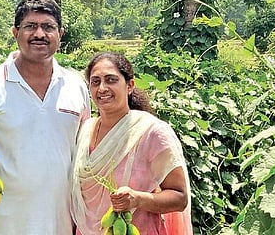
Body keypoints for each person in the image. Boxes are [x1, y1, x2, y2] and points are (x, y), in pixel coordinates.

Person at [0, 0, 90, 235]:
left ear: (60, 34)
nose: (39, 34)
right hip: (5, 221)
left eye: (48, 27)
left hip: (62, 219)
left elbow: (87, 148)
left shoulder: (77, 86)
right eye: (30, 26)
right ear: (15, 32)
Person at [71, 52, 192, 235]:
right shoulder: (84, 131)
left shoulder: (151, 132)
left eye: (111, 80)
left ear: (130, 85)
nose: (102, 88)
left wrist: (138, 199)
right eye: (95, 82)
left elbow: (180, 197)